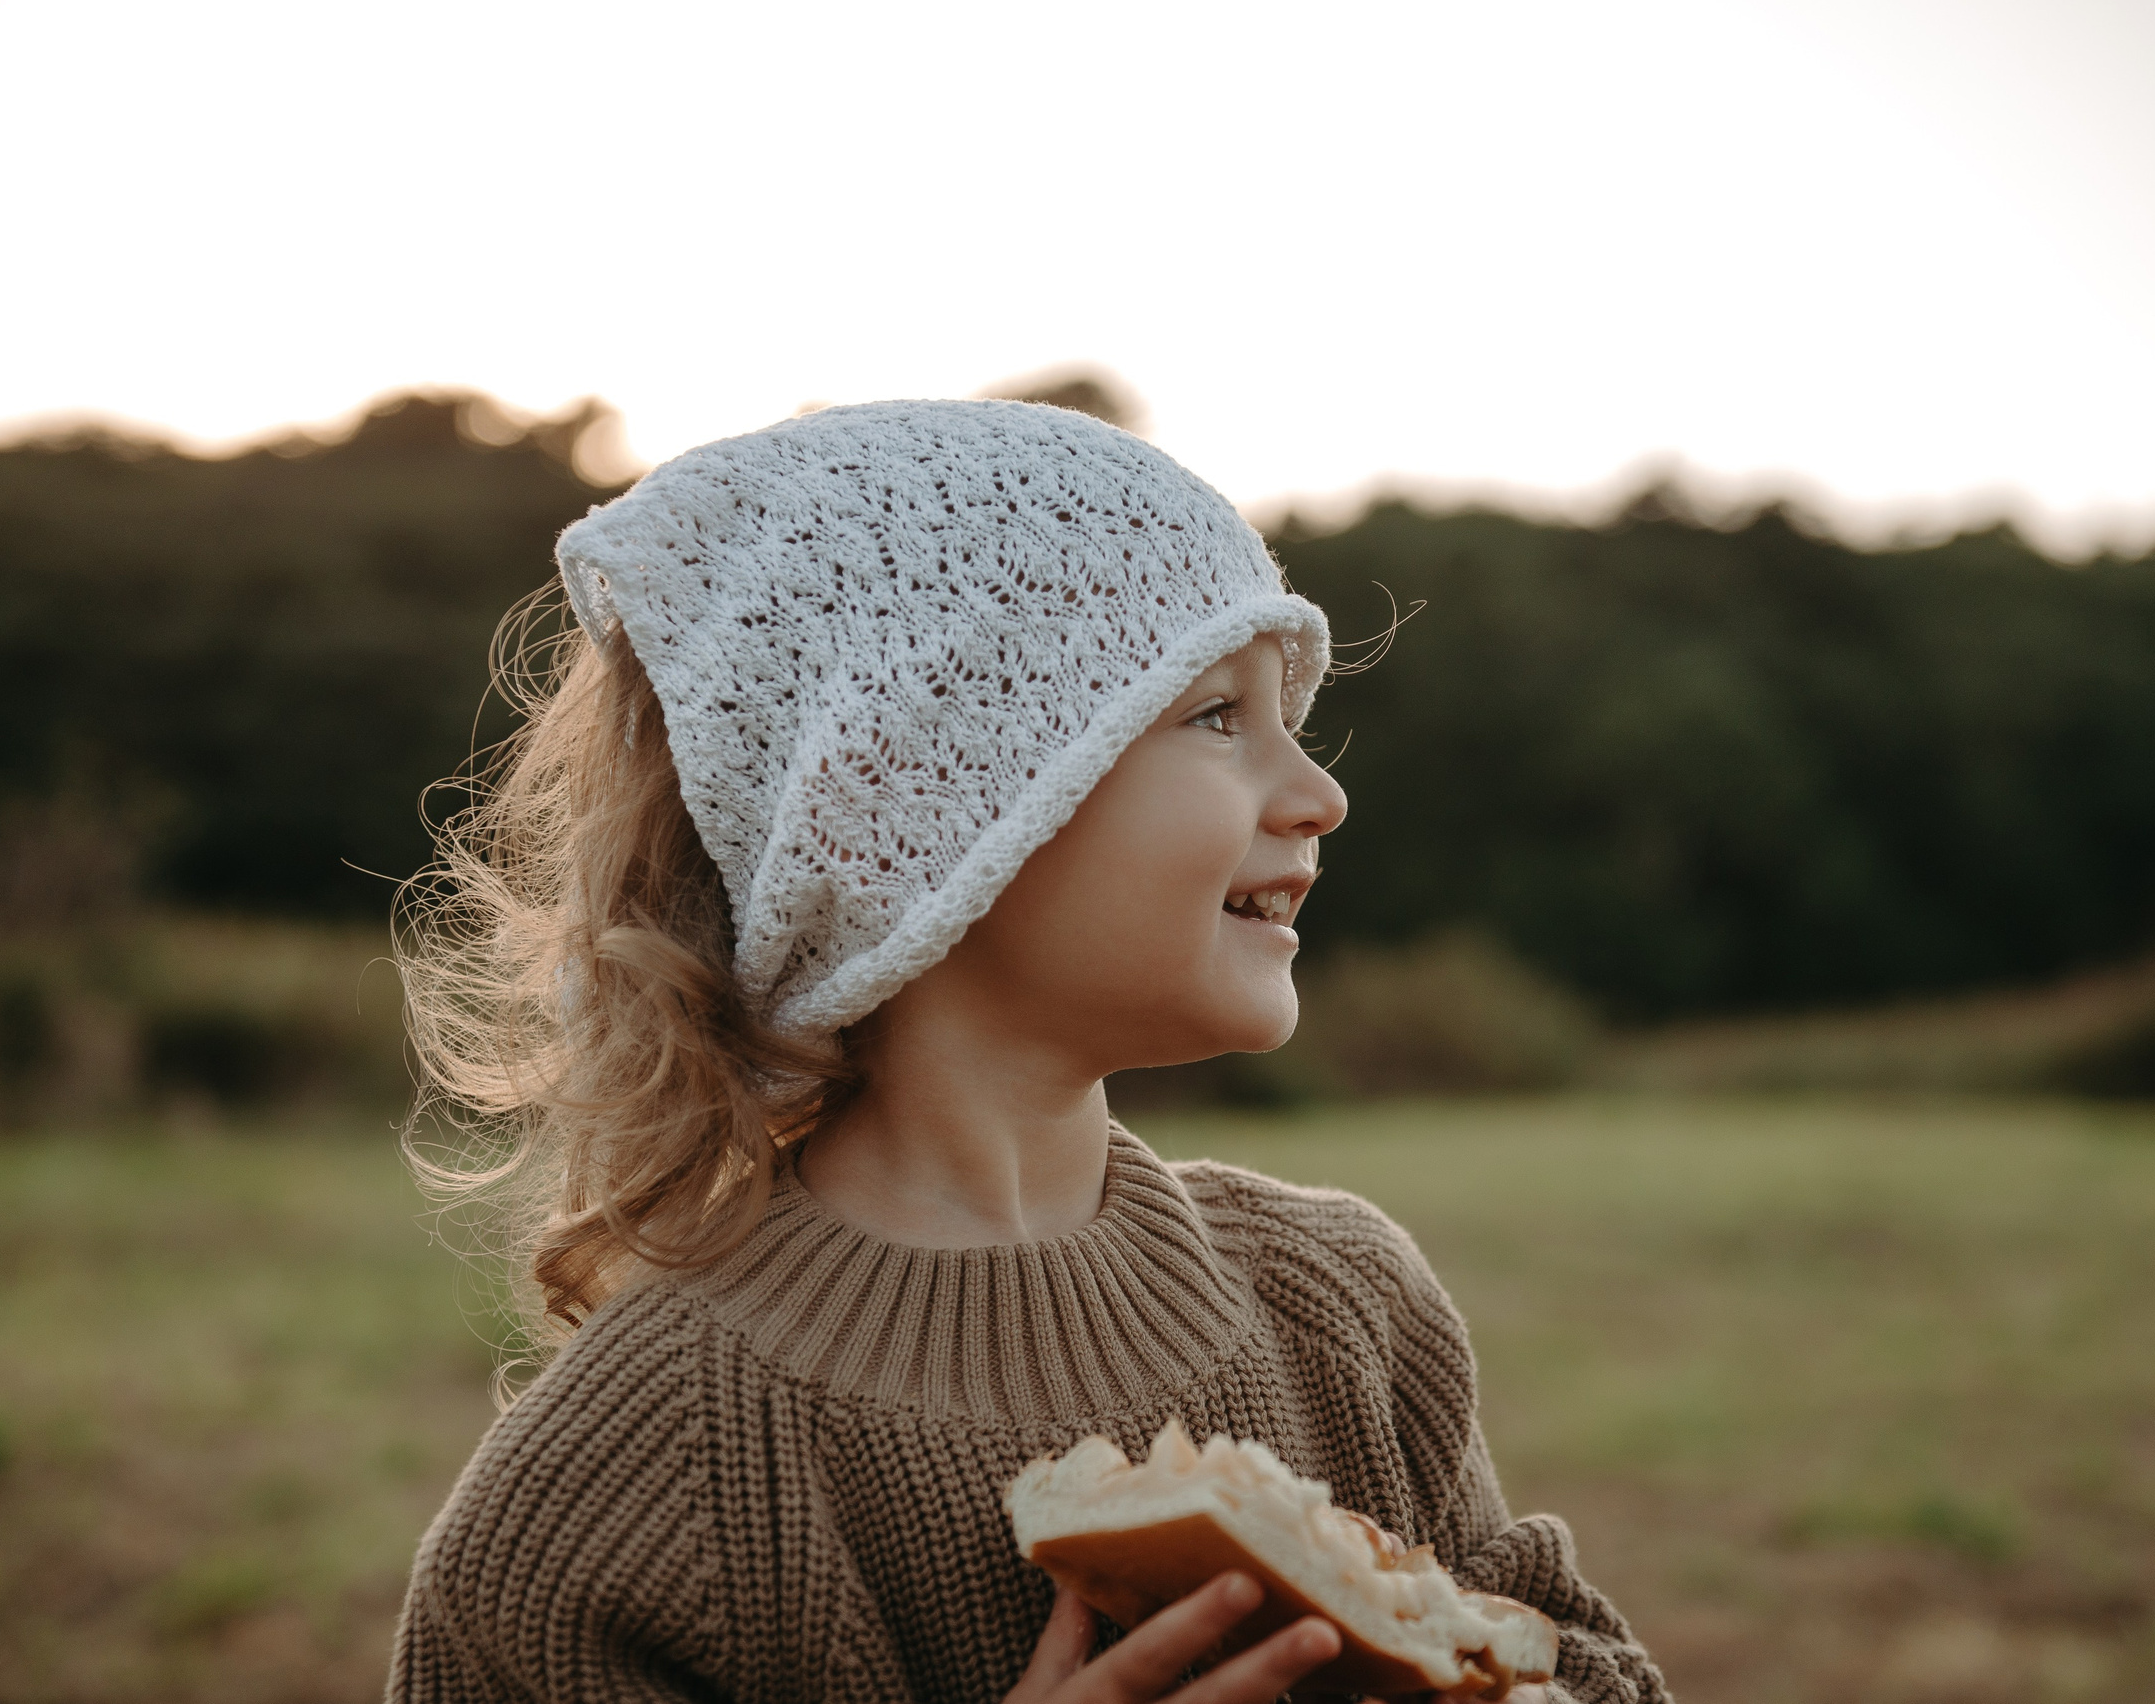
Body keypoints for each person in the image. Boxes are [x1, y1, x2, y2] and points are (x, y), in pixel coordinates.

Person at [387, 400, 1668, 1704]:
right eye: (1218, 714)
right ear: (923, 801)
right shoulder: (628, 1468)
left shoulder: (1340, 1301)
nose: (1320, 794)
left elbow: (1570, 1648)